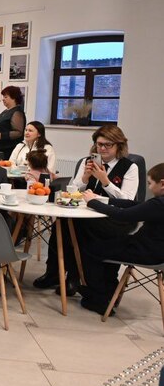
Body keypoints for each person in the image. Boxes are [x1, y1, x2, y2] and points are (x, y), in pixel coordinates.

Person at [33, 124, 139, 295]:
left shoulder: (130, 167)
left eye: (108, 145)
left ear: (119, 145)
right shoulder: (87, 162)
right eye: (99, 144)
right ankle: (54, 272)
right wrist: (84, 178)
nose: (102, 148)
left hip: (115, 217)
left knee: (78, 227)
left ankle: (74, 276)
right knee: (61, 223)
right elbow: (72, 190)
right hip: (86, 212)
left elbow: (127, 200)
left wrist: (106, 182)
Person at [77, 163, 164, 315]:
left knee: (92, 249)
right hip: (157, 251)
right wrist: (103, 199)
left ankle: (98, 299)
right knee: (111, 245)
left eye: (150, 183)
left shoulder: (159, 204)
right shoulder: (158, 203)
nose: (149, 188)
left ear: (162, 184)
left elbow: (123, 215)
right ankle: (109, 291)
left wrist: (92, 202)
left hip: (146, 252)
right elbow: (136, 205)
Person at [0, 85, 26, 159]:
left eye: (5, 97)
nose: (3, 99)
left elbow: (18, 133)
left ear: (13, 98)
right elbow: (3, 127)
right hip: (0, 149)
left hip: (10, 150)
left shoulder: (17, 112)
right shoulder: (6, 111)